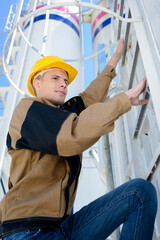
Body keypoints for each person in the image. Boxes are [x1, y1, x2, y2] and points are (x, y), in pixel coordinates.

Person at [0, 39, 157, 240]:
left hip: (64, 228)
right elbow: (72, 135)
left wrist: (113, 61)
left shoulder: (60, 116)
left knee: (139, 193)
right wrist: (123, 100)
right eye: (55, 78)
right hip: (28, 231)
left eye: (65, 81)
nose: (63, 84)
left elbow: (88, 99)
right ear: (36, 83)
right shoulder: (27, 112)